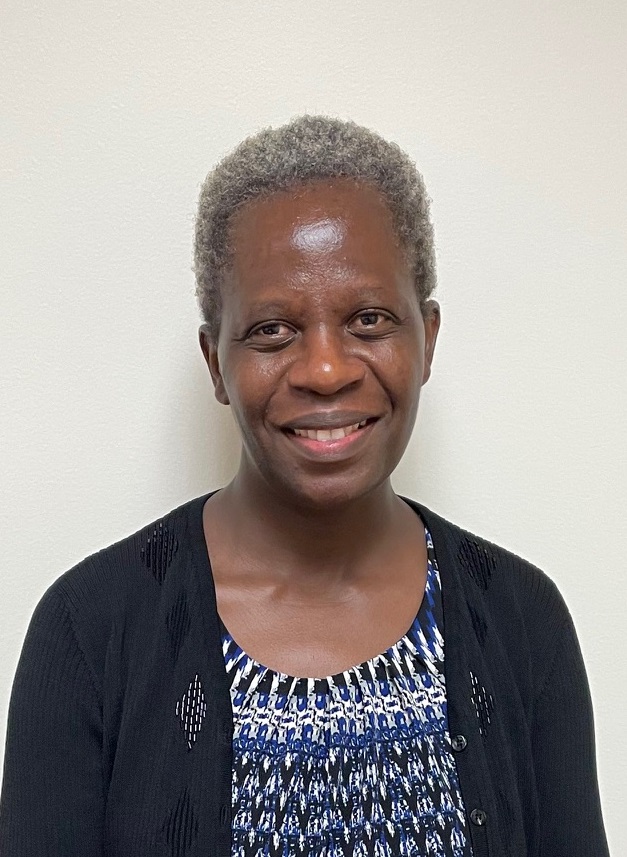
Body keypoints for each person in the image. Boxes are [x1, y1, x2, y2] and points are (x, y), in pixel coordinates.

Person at [0, 115, 609, 857]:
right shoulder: (88, 630)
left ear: (426, 339)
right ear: (215, 363)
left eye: (368, 319)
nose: (325, 369)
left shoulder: (523, 620)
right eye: (272, 330)